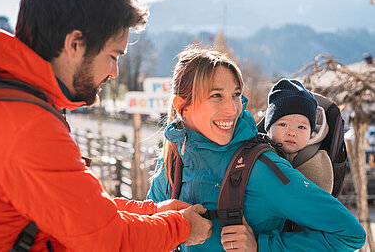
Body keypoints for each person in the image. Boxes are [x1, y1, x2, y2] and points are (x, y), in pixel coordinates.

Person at [0, 0, 212, 251]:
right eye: (113, 56)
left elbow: (76, 208)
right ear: (74, 44)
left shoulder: (6, 95)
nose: (114, 73)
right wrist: (181, 228)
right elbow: (107, 239)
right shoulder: (27, 126)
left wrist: (150, 211)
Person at [147, 46, 366, 251]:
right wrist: (164, 223)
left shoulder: (260, 170)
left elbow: (350, 234)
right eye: (216, 95)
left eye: (236, 94)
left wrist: (262, 246)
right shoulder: (171, 162)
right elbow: (144, 237)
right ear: (182, 107)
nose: (232, 108)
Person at [265, 78, 334, 193]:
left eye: (301, 127)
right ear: (268, 130)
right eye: (283, 124)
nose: (292, 132)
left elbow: (319, 201)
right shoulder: (258, 153)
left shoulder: (317, 160)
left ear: (310, 133)